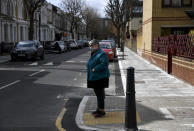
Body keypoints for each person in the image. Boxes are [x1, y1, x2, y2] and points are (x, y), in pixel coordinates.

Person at [86, 39, 110, 118]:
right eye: (91, 46)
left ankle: (102, 111)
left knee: (100, 95)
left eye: (92, 45)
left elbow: (104, 64)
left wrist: (95, 68)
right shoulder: (95, 52)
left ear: (97, 45)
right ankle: (98, 109)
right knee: (98, 94)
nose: (91, 47)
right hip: (95, 77)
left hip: (100, 77)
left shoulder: (102, 53)